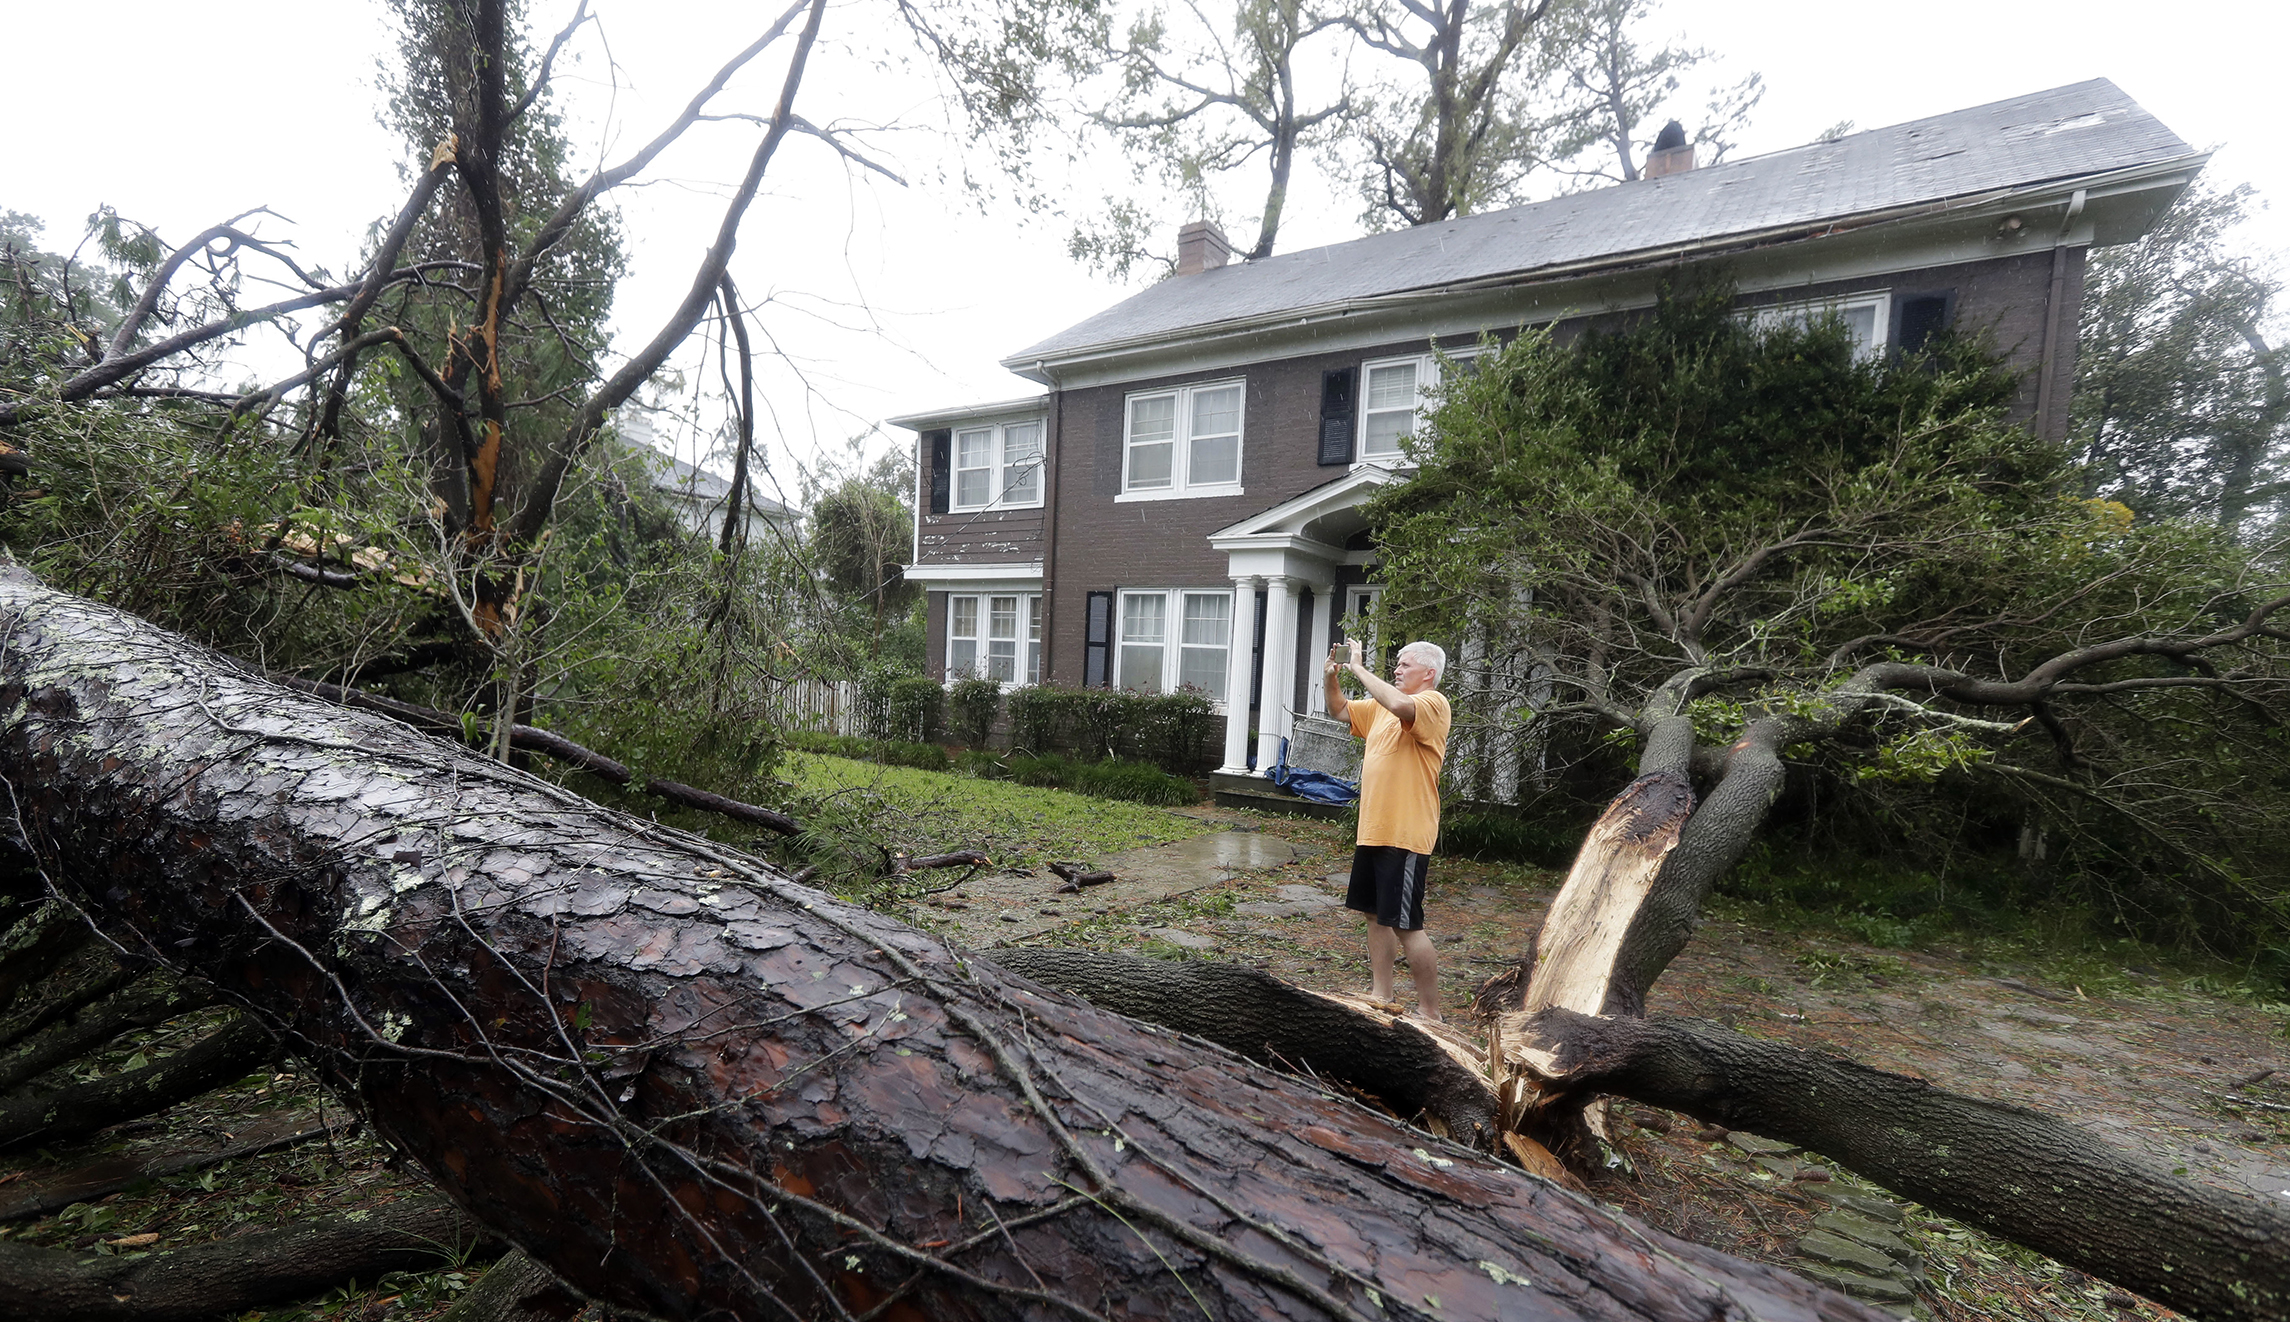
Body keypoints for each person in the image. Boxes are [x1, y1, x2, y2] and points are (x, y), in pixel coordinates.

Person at [1323, 636, 1451, 1021]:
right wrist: (1332, 676)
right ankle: (1382, 994)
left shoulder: (1432, 703)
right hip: (1374, 831)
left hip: (1405, 834)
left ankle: (1430, 1012)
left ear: (1428, 673)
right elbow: (1340, 710)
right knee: (1374, 916)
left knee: (1406, 925)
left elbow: (1399, 704)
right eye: (1396, 664)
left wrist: (1359, 668)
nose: (1396, 669)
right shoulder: (1379, 708)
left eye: (1404, 664)